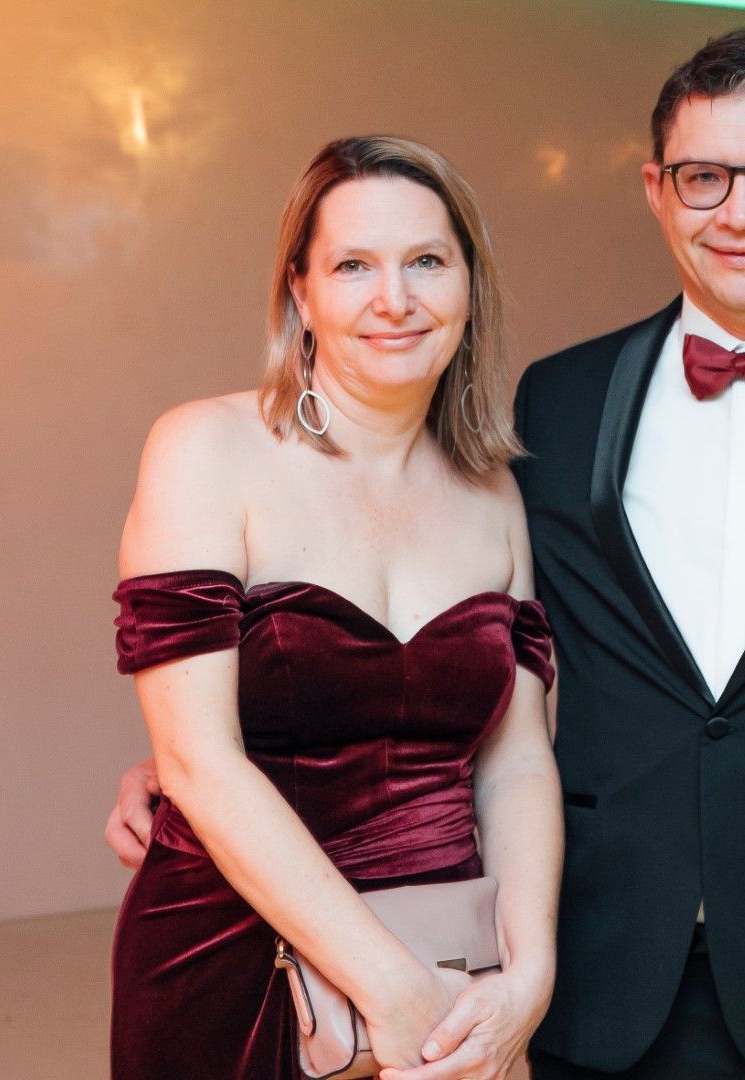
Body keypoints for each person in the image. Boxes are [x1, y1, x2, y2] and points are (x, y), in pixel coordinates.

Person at [111, 29, 745, 1080]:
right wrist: (196, 752)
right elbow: (385, 672)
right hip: (608, 987)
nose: (739, 213)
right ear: (657, 191)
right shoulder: (560, 411)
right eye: (705, 177)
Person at [107, 135, 561, 1080]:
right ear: (301, 293)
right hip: (233, 962)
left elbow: (517, 762)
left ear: (469, 286)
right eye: (354, 266)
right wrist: (389, 989)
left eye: (426, 261)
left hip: (448, 966)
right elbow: (197, 762)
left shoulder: (494, 493)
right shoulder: (206, 450)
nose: (394, 299)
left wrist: (530, 971)